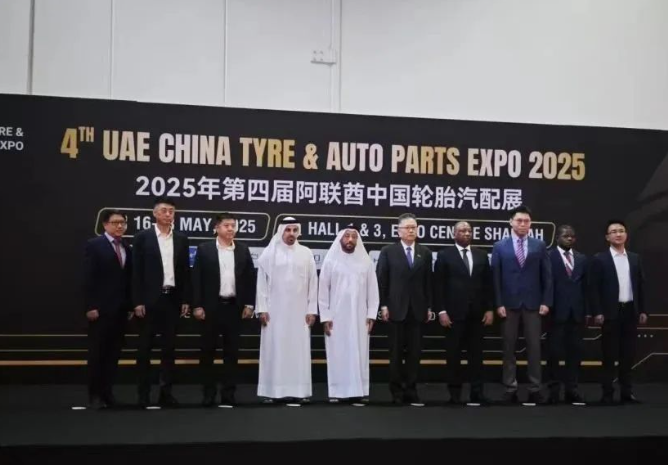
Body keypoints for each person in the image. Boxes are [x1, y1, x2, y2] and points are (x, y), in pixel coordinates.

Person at [191, 212, 256, 407]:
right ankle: (208, 394)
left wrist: (249, 304)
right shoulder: (205, 249)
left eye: (233, 225)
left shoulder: (243, 250)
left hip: (234, 308)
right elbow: (196, 279)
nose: (230, 229)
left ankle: (229, 394)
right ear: (216, 228)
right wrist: (197, 305)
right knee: (207, 353)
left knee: (232, 354)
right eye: (226, 225)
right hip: (211, 308)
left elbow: (250, 278)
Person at [132, 197, 190, 408]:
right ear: (155, 213)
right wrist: (137, 300)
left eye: (171, 211)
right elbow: (136, 272)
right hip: (148, 301)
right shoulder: (142, 237)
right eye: (164, 210)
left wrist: (185, 299)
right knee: (144, 350)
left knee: (169, 350)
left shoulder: (181, 239)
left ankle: (166, 393)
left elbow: (185, 272)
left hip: (172, 299)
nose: (168, 214)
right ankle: (143, 395)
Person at [491, 205, 552, 405]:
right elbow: (496, 278)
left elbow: (547, 276)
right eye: (519, 220)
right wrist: (498, 303)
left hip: (534, 304)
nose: (523, 224)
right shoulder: (500, 246)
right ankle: (510, 388)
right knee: (508, 348)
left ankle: (535, 388)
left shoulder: (539, 245)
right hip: (508, 305)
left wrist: (546, 301)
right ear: (511, 222)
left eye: (526, 221)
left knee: (534, 349)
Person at [256, 217, 318, 405]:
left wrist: (311, 309)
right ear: (281, 231)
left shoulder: (306, 253)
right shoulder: (269, 254)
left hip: (300, 313)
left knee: (298, 352)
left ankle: (300, 391)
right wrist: (262, 308)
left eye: (294, 230)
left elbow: (313, 283)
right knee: (275, 350)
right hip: (274, 313)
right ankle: (272, 391)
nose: (291, 234)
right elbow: (261, 284)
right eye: (288, 230)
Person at [318, 224, 379, 405]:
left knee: (359, 353)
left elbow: (373, 291)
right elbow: (323, 292)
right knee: (338, 353)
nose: (350, 240)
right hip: (336, 317)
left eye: (353, 236)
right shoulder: (331, 261)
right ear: (340, 239)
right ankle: (337, 391)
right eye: (347, 236)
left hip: (360, 317)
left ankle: (358, 392)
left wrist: (371, 314)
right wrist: (325, 317)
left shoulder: (366, 262)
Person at [433, 221, 493, 405]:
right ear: (454, 234)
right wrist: (441, 311)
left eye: (469, 231)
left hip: (477, 314)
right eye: (462, 231)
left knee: (477, 356)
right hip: (453, 315)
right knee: (453, 356)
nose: (466, 233)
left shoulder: (481, 255)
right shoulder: (445, 255)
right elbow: (438, 285)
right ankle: (454, 394)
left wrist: (489, 309)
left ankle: (477, 393)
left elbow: (488, 284)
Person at [377, 213, 433, 406]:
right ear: (398, 231)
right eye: (407, 228)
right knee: (395, 354)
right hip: (395, 309)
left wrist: (429, 306)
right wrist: (383, 305)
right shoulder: (388, 251)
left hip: (417, 310)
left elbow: (428, 282)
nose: (411, 231)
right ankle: (396, 391)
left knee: (414, 354)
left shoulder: (425, 252)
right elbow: (382, 280)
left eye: (414, 228)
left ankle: (411, 389)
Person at [590, 219, 648, 404]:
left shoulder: (635, 258)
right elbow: (594, 288)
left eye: (621, 230)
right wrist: (597, 311)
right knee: (609, 355)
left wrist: (643, 310)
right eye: (614, 231)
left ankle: (626, 392)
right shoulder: (600, 259)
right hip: (609, 313)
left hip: (630, 311)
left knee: (628, 355)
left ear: (626, 235)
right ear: (607, 237)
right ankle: (607, 393)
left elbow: (640, 286)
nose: (618, 234)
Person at [82, 209, 132, 409]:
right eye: (115, 222)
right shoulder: (94, 245)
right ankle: (94, 395)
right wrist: (90, 306)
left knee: (113, 354)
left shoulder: (126, 247)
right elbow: (88, 277)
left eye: (123, 223)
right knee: (97, 354)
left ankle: (108, 394)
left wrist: (129, 305)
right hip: (100, 310)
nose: (120, 226)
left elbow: (127, 280)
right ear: (105, 225)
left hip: (120, 311)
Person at [545, 225, 588, 405]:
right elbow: (545, 282)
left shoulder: (581, 258)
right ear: (557, 238)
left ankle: (572, 389)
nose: (569, 238)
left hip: (576, 313)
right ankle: (554, 391)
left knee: (575, 354)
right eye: (565, 236)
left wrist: (587, 310)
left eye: (572, 236)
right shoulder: (548, 256)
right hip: (555, 312)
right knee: (554, 354)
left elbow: (586, 286)